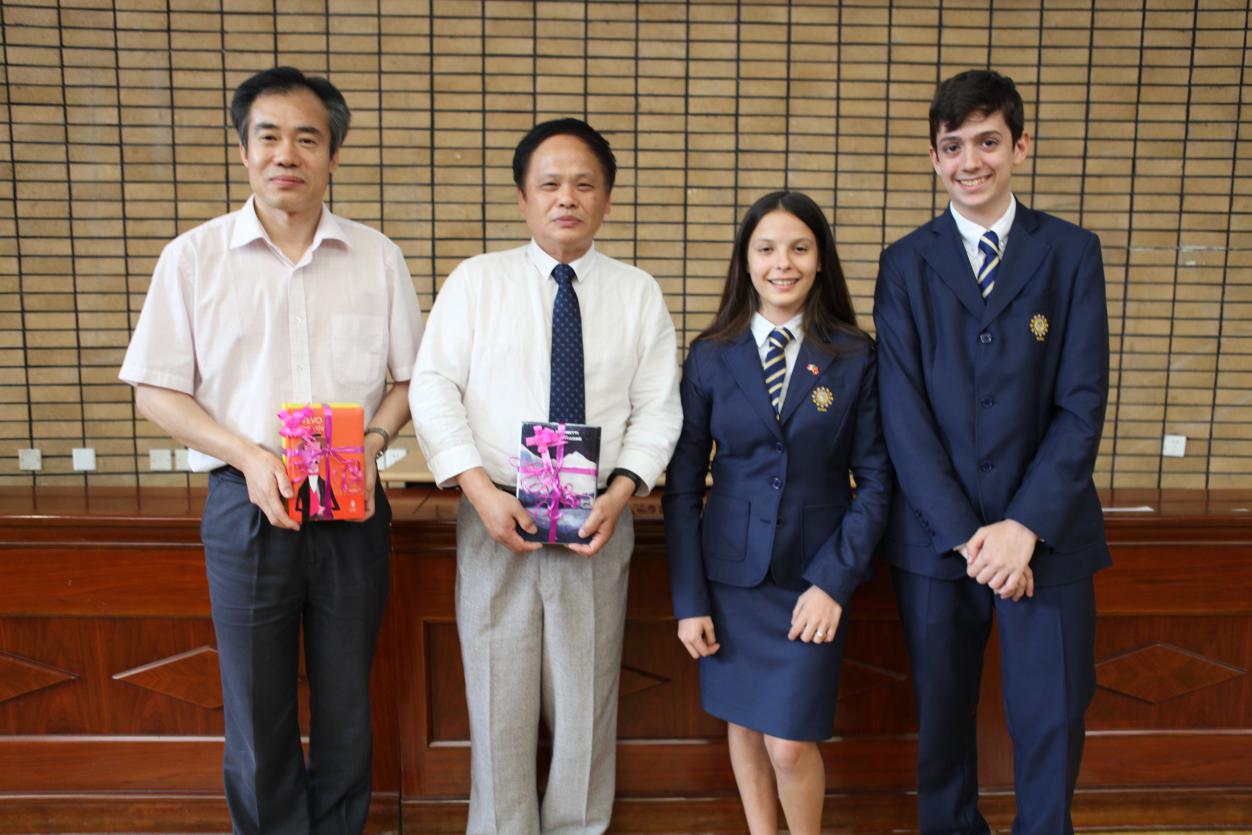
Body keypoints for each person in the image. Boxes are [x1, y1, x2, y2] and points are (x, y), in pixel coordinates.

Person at [119, 66, 423, 835]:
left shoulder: (377, 256)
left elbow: (411, 380)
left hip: (353, 502)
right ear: (244, 149)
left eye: (307, 139)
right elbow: (155, 389)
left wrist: (375, 441)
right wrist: (249, 456)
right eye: (269, 136)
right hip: (244, 502)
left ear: (333, 155)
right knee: (257, 705)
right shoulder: (193, 258)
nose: (287, 153)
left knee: (347, 702)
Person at [409, 118, 682, 834]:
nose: (568, 198)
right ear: (523, 198)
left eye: (584, 184)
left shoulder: (637, 293)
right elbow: (432, 387)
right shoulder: (477, 282)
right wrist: (478, 491)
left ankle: (578, 828)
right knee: (496, 694)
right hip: (495, 512)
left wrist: (622, 493)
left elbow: (659, 407)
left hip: (597, 517)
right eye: (550, 184)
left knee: (585, 701)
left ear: (607, 200)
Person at [873, 69, 1111, 834]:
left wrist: (1022, 527)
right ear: (934, 156)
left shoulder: (1070, 252)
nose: (970, 161)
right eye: (953, 146)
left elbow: (1082, 404)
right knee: (943, 728)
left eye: (987, 142)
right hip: (938, 541)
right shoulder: (904, 263)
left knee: (1052, 720)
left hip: (1049, 536)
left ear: (1020, 145)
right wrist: (968, 535)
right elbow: (902, 415)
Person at [663, 191, 892, 835]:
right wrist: (690, 600)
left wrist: (833, 583)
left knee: (788, 745)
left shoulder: (855, 355)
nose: (781, 263)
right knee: (744, 725)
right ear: (746, 260)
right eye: (765, 249)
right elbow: (682, 487)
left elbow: (877, 482)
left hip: (811, 582)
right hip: (731, 580)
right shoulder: (712, 355)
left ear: (820, 260)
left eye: (799, 248)